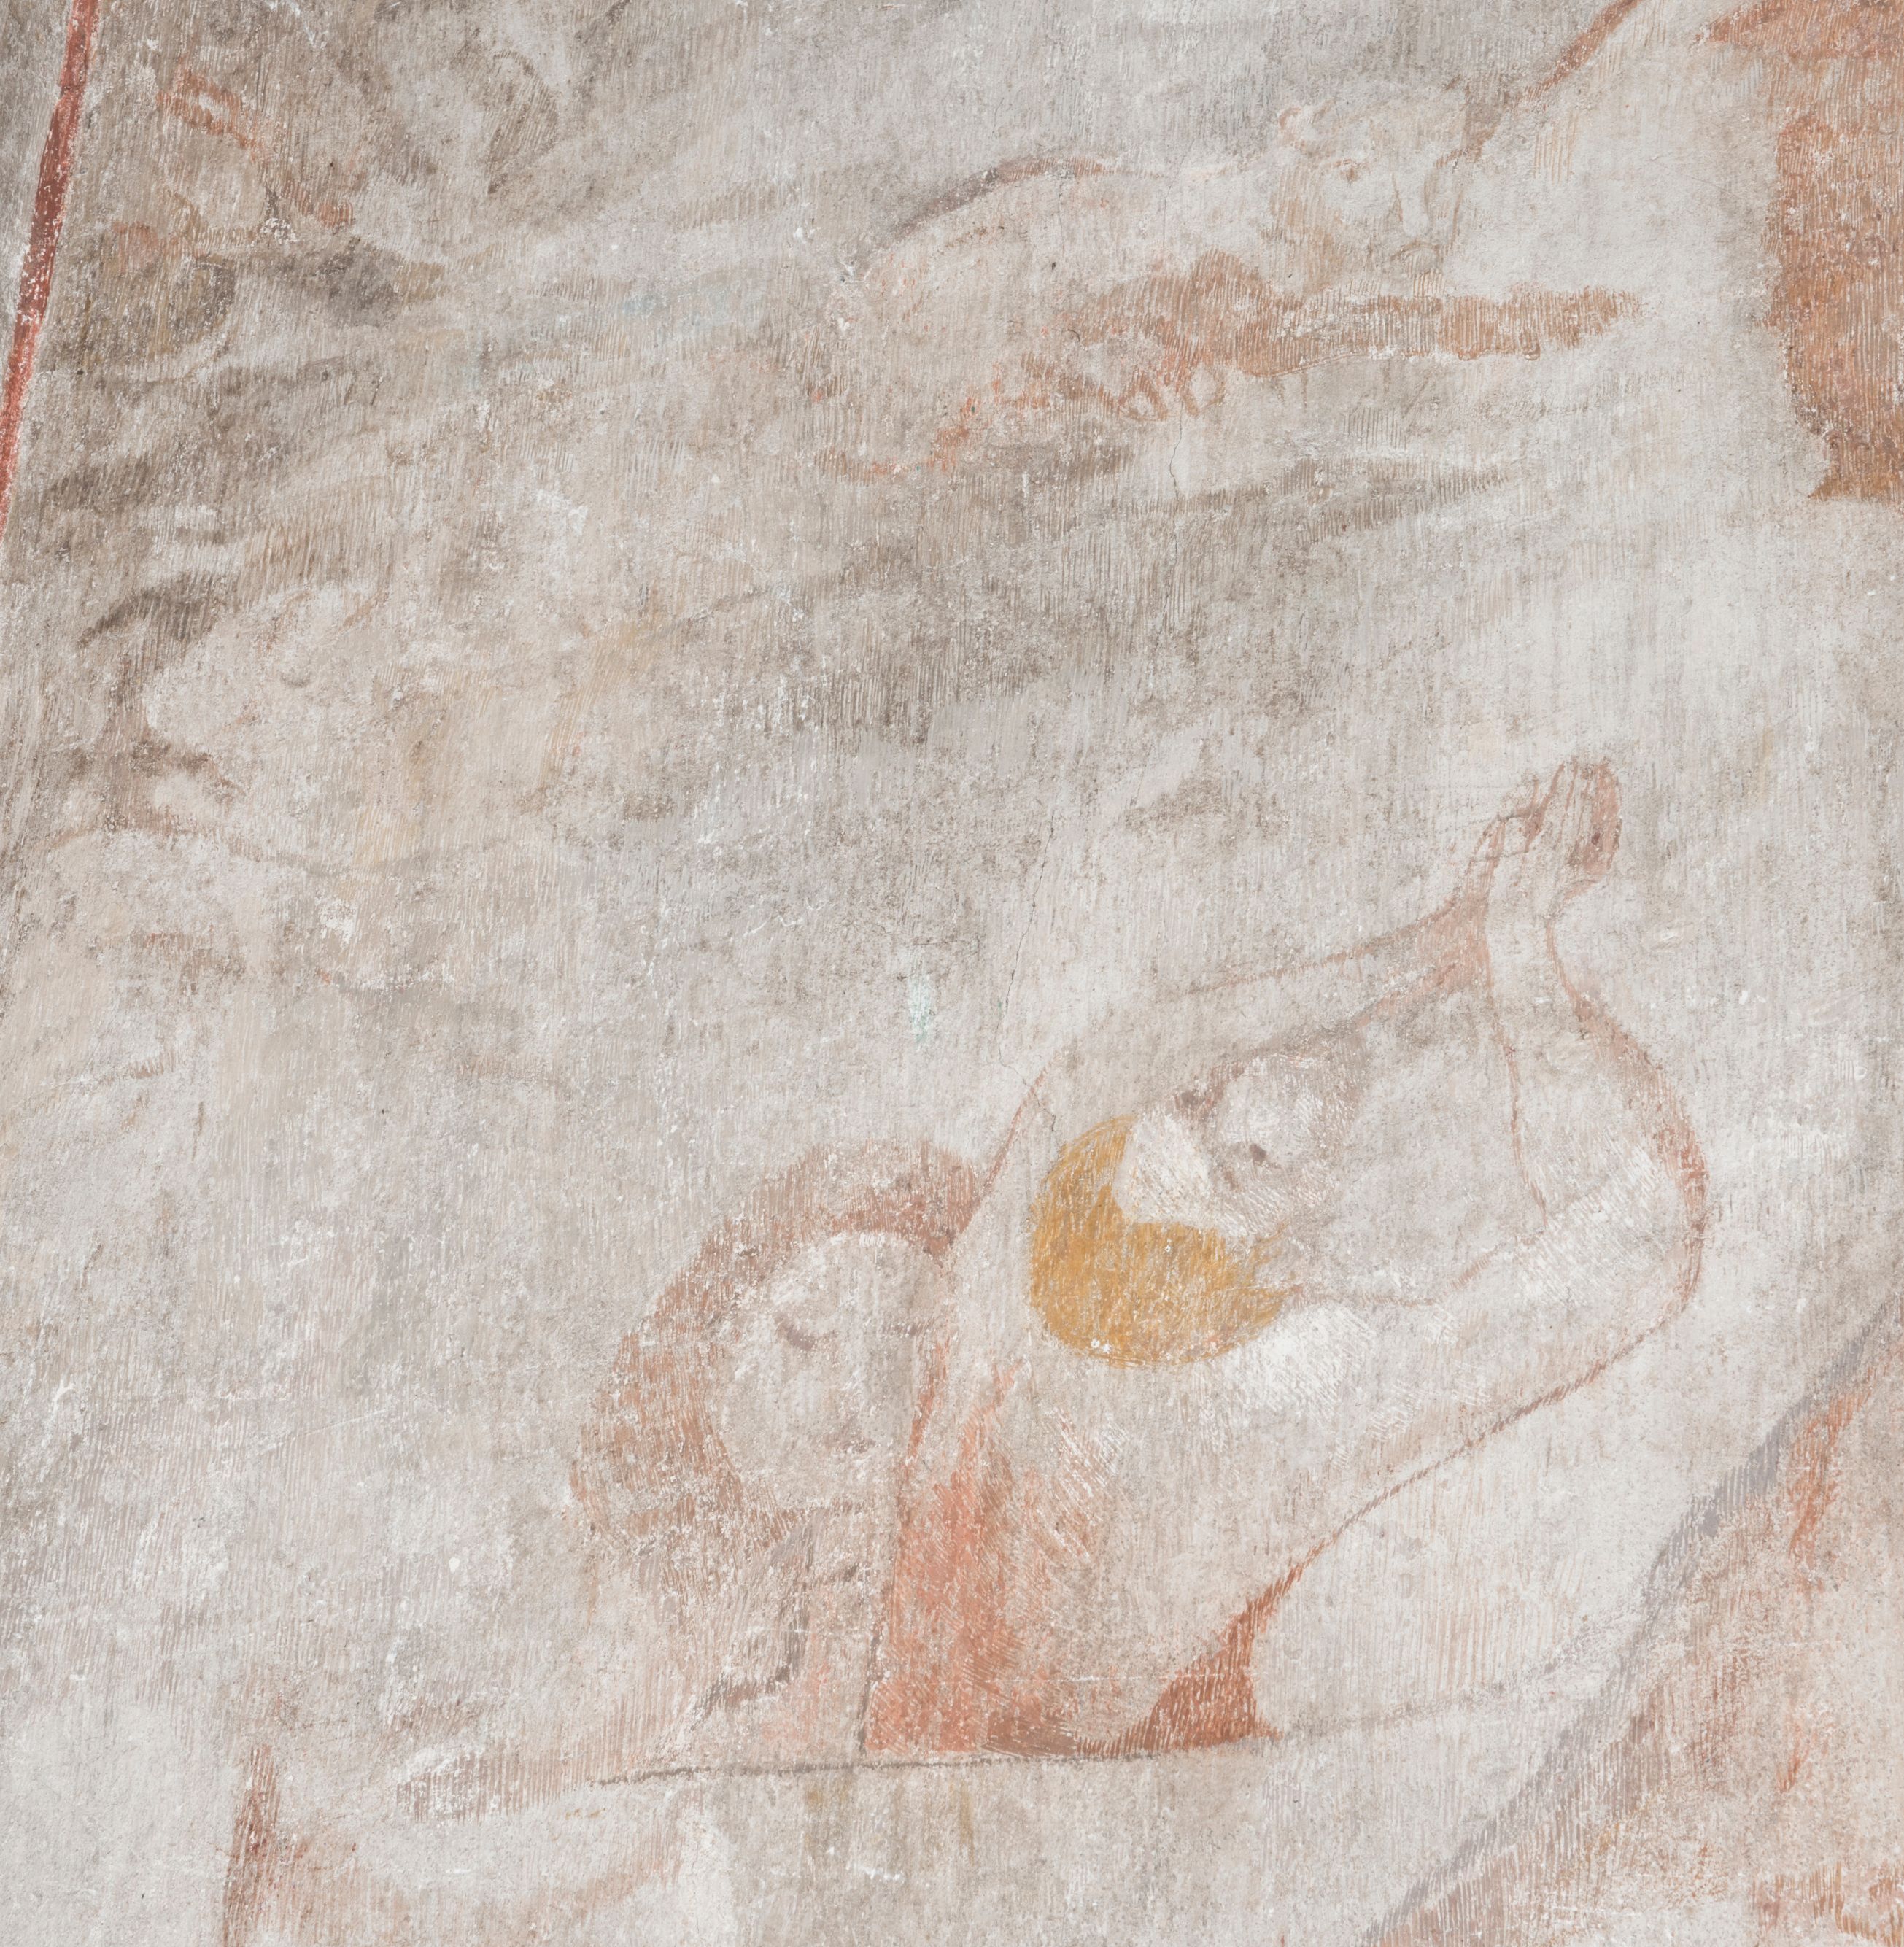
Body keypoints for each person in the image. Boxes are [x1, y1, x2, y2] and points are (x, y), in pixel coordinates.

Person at [568, 756, 1704, 1773]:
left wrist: (1487, 942)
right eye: (821, 1391)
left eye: (798, 1325)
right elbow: (1643, 1221)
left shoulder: (1073, 1173)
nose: (848, 1358)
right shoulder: (1202, 1363)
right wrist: (1505, 951)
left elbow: (1637, 1223)